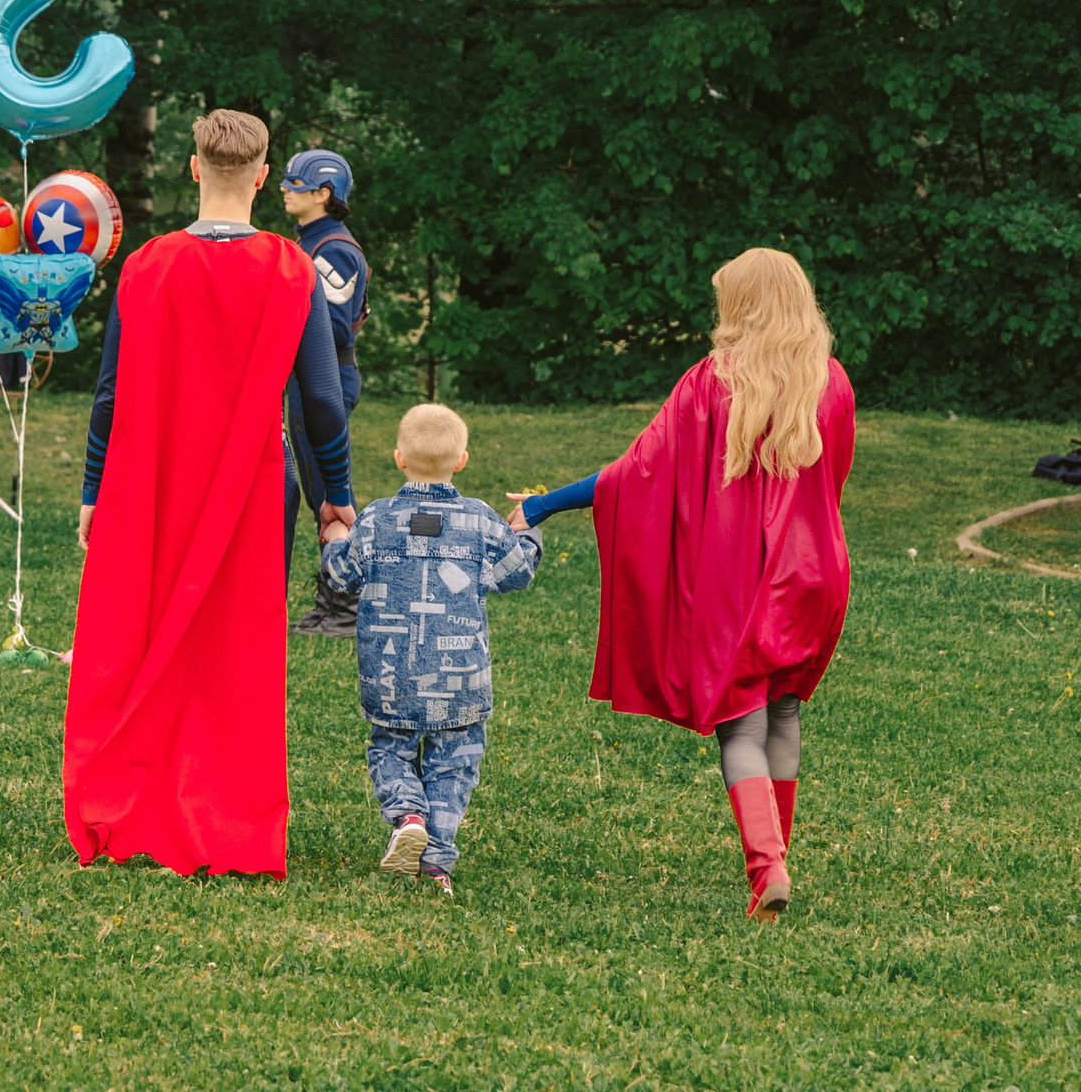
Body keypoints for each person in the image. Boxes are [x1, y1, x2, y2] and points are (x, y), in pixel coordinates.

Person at [512, 247, 854, 921]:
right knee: (783, 711)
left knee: (741, 727)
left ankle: (767, 866)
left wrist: (545, 503)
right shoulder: (831, 381)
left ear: (744, 304)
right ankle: (776, 853)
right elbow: (831, 480)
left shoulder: (711, 382)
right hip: (815, 574)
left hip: (738, 581)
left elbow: (633, 473)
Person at [64, 110, 355, 878]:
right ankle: (229, 816)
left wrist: (94, 484)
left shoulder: (147, 263)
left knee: (145, 635)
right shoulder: (292, 270)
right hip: (251, 489)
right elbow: (321, 401)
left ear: (194, 168)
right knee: (235, 649)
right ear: (262, 177)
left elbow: (109, 393)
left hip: (149, 481)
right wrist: (336, 494)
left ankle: (139, 798)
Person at [319, 403, 539, 897]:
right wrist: (528, 531)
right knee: (454, 765)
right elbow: (518, 572)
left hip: (391, 675)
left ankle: (407, 815)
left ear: (399, 458)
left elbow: (340, 576)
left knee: (391, 750)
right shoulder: (480, 522)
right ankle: (436, 861)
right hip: (458, 679)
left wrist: (335, 535)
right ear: (462, 460)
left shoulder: (375, 521)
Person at [283, 146, 371, 637]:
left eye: (296, 184)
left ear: (323, 194)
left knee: (330, 490)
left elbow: (332, 329)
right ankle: (330, 599)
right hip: (309, 378)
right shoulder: (309, 242)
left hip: (327, 379)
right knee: (320, 486)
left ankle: (348, 605)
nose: (284, 189)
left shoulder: (333, 249)